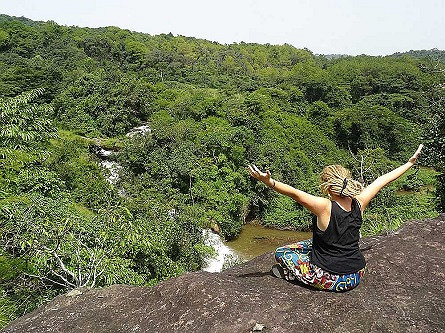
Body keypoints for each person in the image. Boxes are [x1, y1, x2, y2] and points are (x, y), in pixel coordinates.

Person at [247, 144, 424, 292]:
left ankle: (291, 275)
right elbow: (383, 180)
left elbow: (295, 194)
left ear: (329, 187)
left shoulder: (325, 207)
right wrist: (409, 163)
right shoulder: (359, 202)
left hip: (332, 279)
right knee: (311, 243)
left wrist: (269, 182)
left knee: (281, 253)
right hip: (356, 275)